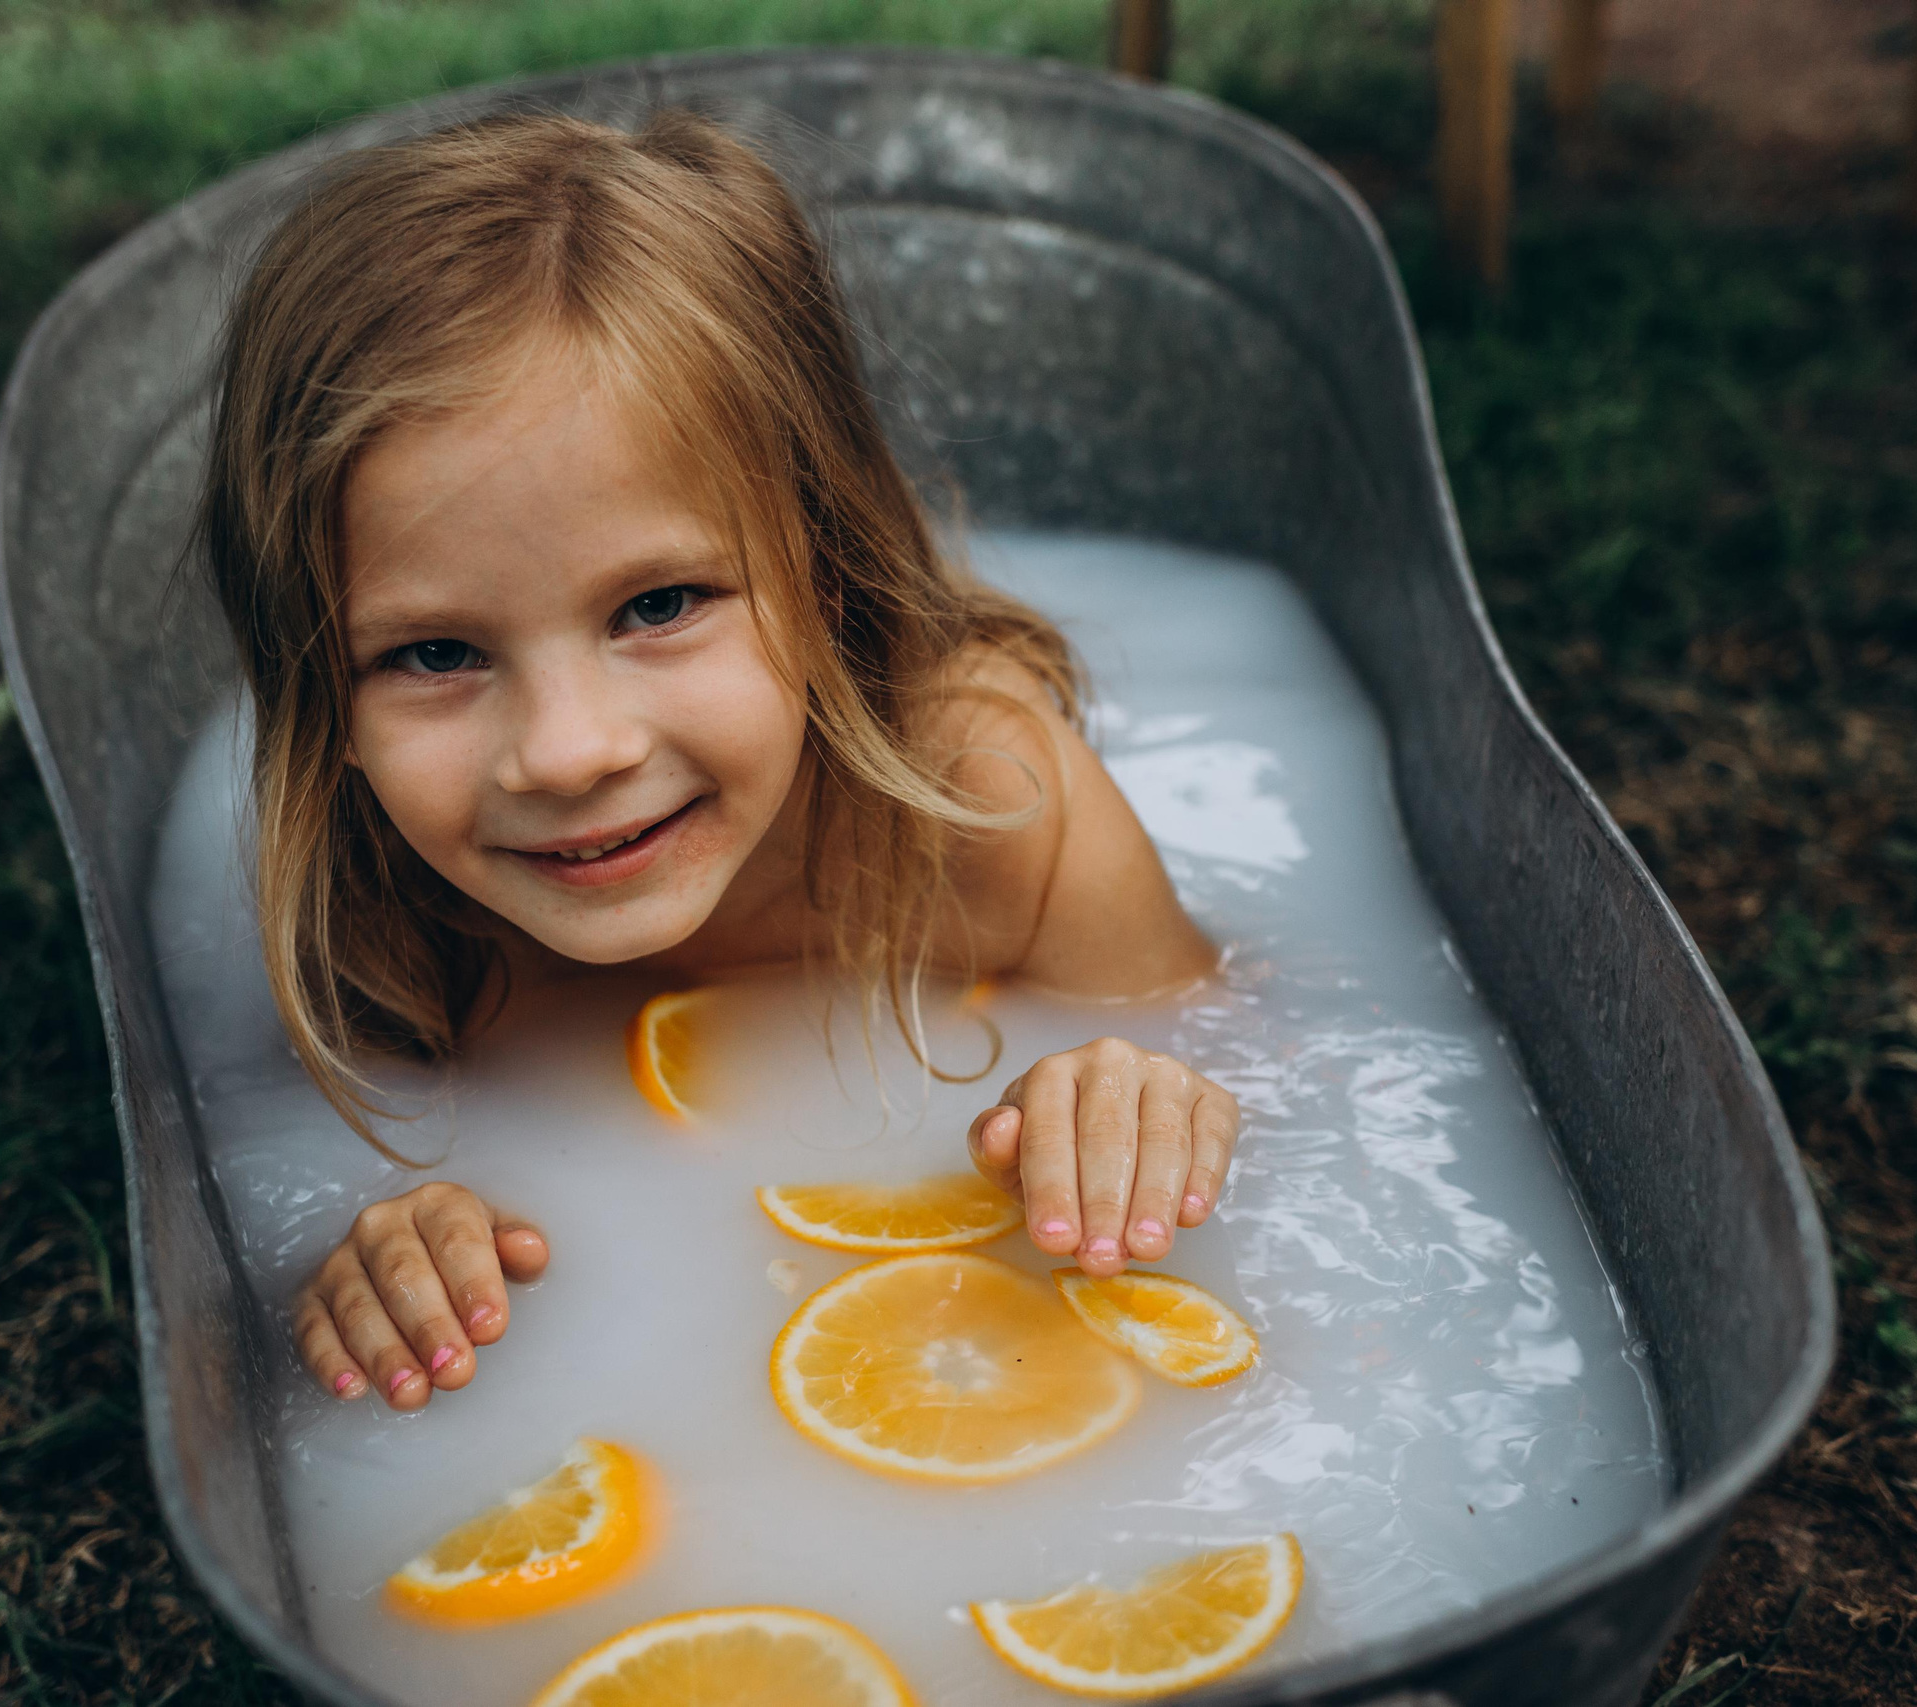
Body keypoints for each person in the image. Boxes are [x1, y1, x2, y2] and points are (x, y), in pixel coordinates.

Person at [196, 109, 1239, 1411]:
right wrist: (378, 1241)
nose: (569, 752)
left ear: (824, 565)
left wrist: (1134, 1091)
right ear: (316, 698)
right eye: (436, 654)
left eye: (658, 605)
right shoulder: (385, 902)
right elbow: (347, 1150)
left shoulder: (993, 809)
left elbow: (1229, 1043)